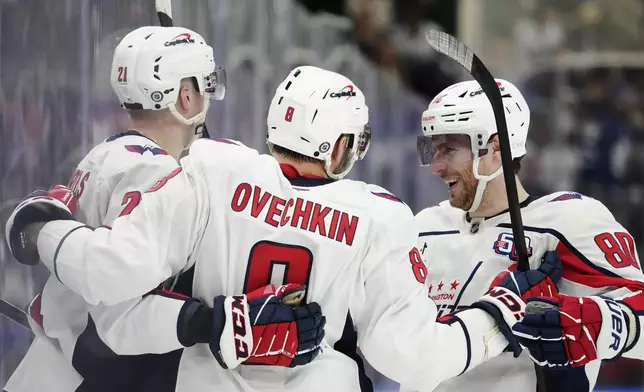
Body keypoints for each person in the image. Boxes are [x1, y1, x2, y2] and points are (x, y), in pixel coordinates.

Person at [6, 66, 560, 391]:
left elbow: (112, 281)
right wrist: (495, 317)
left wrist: (40, 227)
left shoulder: (211, 167)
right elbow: (410, 360)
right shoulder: (383, 213)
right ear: (342, 146)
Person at [3, 26, 323, 392]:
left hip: (46, 367)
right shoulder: (161, 176)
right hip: (83, 377)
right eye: (205, 85)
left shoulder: (107, 153)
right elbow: (119, 318)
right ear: (186, 97)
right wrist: (219, 323)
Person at [414, 78, 644, 392]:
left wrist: (599, 321)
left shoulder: (566, 221)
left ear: (495, 147)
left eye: (449, 149)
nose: (436, 167)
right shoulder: (424, 225)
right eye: (433, 149)